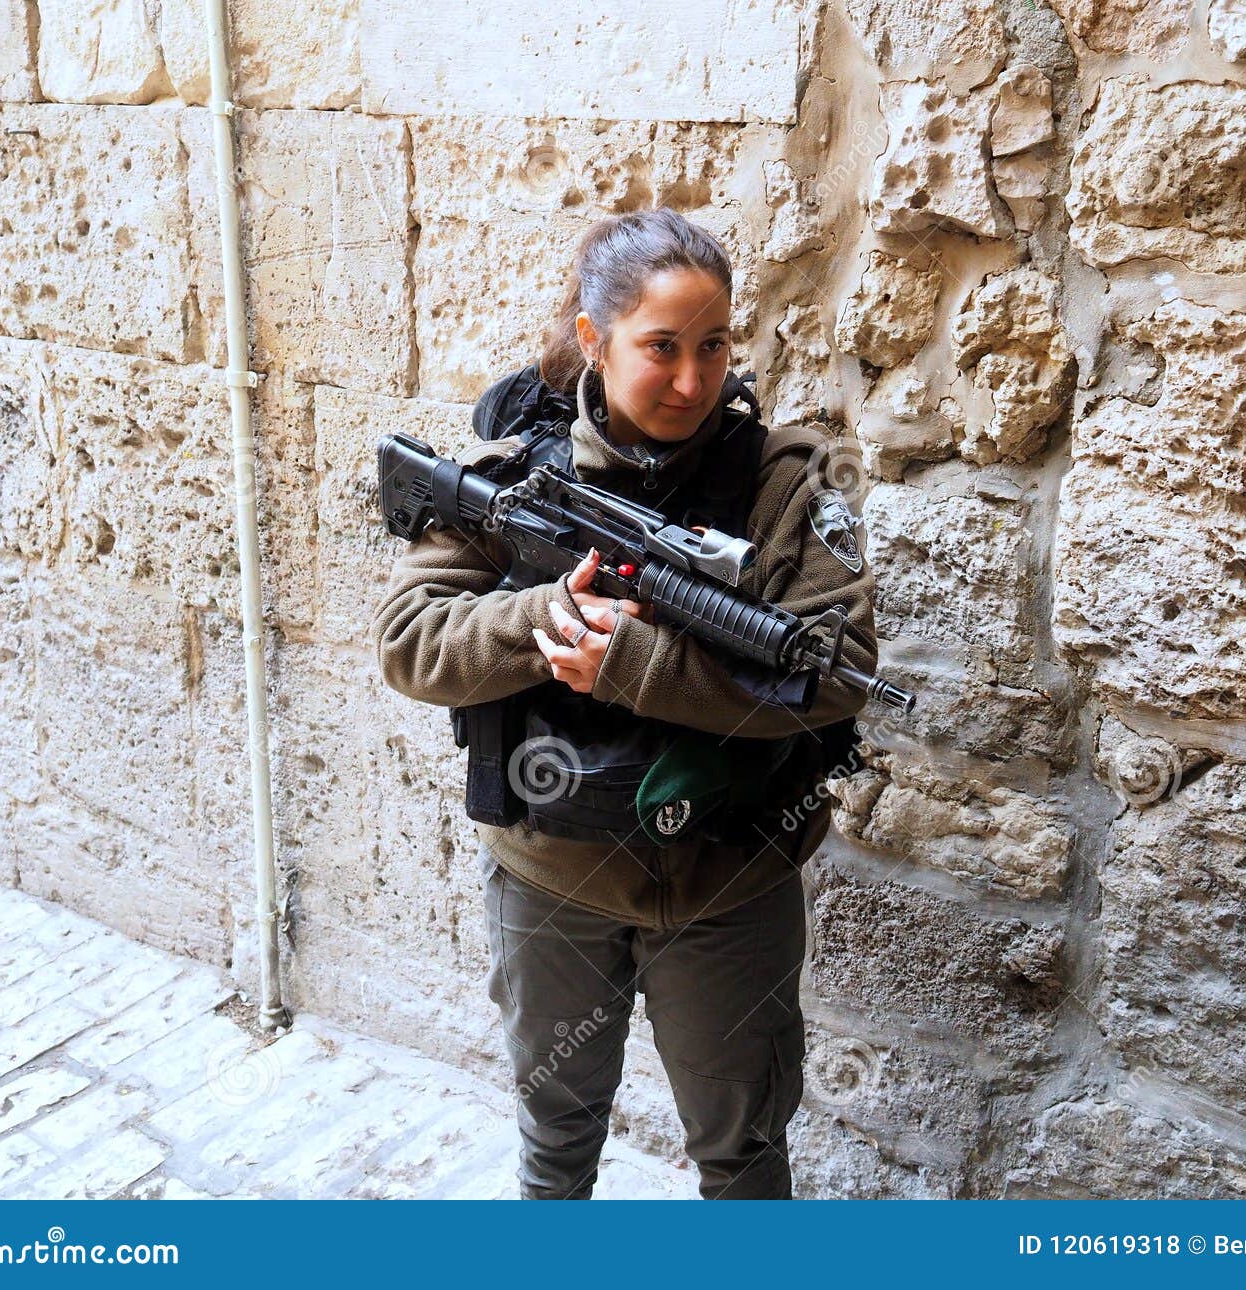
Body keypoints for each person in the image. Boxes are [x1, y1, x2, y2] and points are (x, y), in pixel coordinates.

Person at [369, 207, 879, 1199]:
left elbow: (838, 671)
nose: (693, 380)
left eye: (714, 345)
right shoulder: (515, 478)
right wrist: (540, 621)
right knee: (555, 1150)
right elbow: (409, 644)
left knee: (741, 1156)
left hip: (728, 888)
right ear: (596, 342)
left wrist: (637, 661)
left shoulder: (786, 483)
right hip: (550, 879)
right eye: (660, 349)